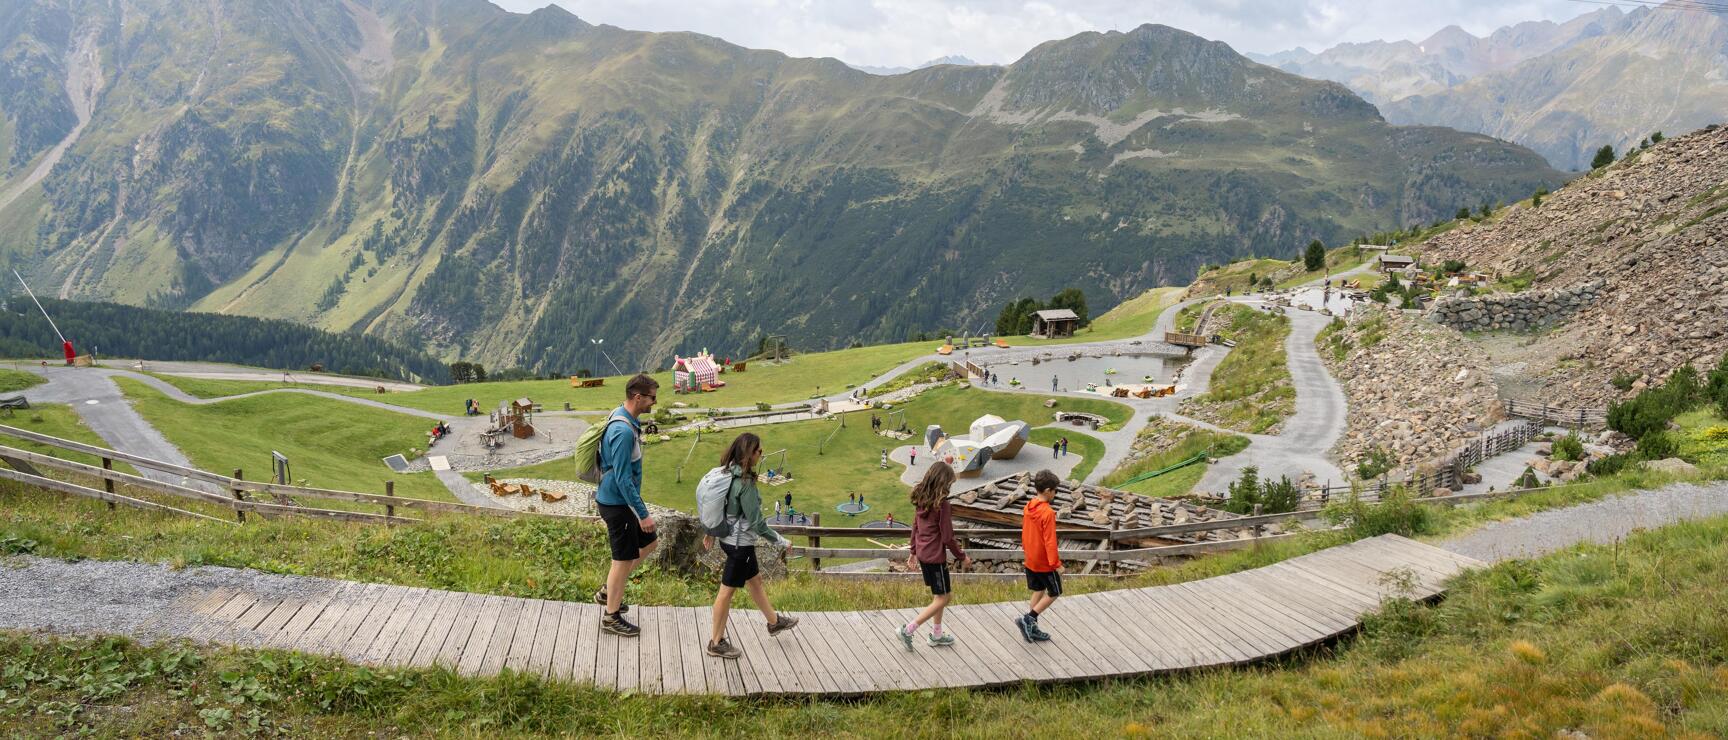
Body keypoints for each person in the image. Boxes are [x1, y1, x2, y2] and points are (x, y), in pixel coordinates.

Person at [702, 432, 799, 659]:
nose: (761, 454)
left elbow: (719, 507)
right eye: (758, 451)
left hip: (729, 540)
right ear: (749, 454)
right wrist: (782, 541)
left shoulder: (726, 473)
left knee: (755, 580)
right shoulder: (745, 483)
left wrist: (710, 531)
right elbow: (757, 523)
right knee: (725, 594)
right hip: (740, 547)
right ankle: (715, 642)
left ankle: (774, 622)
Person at [595, 374, 660, 637]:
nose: (654, 403)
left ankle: (609, 590)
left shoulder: (623, 416)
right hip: (617, 503)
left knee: (649, 543)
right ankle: (611, 618)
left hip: (621, 501)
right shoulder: (622, 431)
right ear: (638, 397)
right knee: (621, 561)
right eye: (651, 398)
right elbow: (622, 478)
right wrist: (643, 514)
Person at [897, 462, 970, 651]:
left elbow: (915, 526)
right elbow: (947, 537)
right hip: (936, 558)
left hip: (923, 554)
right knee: (944, 598)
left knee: (941, 595)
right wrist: (962, 557)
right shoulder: (942, 505)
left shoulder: (922, 500)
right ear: (943, 483)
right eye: (949, 484)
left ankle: (937, 634)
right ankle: (908, 629)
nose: (949, 488)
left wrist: (913, 551)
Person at [1016, 470, 1062, 642]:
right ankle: (1028, 619)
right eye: (1055, 491)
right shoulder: (1047, 513)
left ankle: (1032, 627)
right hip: (1044, 562)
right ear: (1048, 490)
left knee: (1038, 589)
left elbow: (1026, 532)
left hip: (1030, 559)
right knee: (1055, 591)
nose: (1055, 494)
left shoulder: (1028, 507)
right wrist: (1056, 564)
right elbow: (1050, 541)